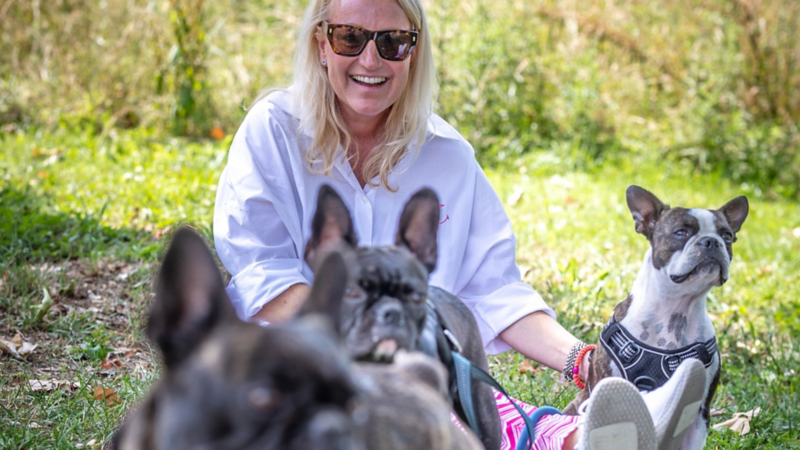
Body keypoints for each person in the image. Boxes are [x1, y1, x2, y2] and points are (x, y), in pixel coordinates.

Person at [212, 0, 706, 448]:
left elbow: (495, 292)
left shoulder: (448, 156)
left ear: (415, 49)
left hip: (425, 371)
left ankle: (598, 434)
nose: (370, 60)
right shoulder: (274, 130)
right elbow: (267, 281)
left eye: (392, 42)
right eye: (349, 37)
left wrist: (586, 361)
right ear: (321, 43)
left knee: (478, 406)